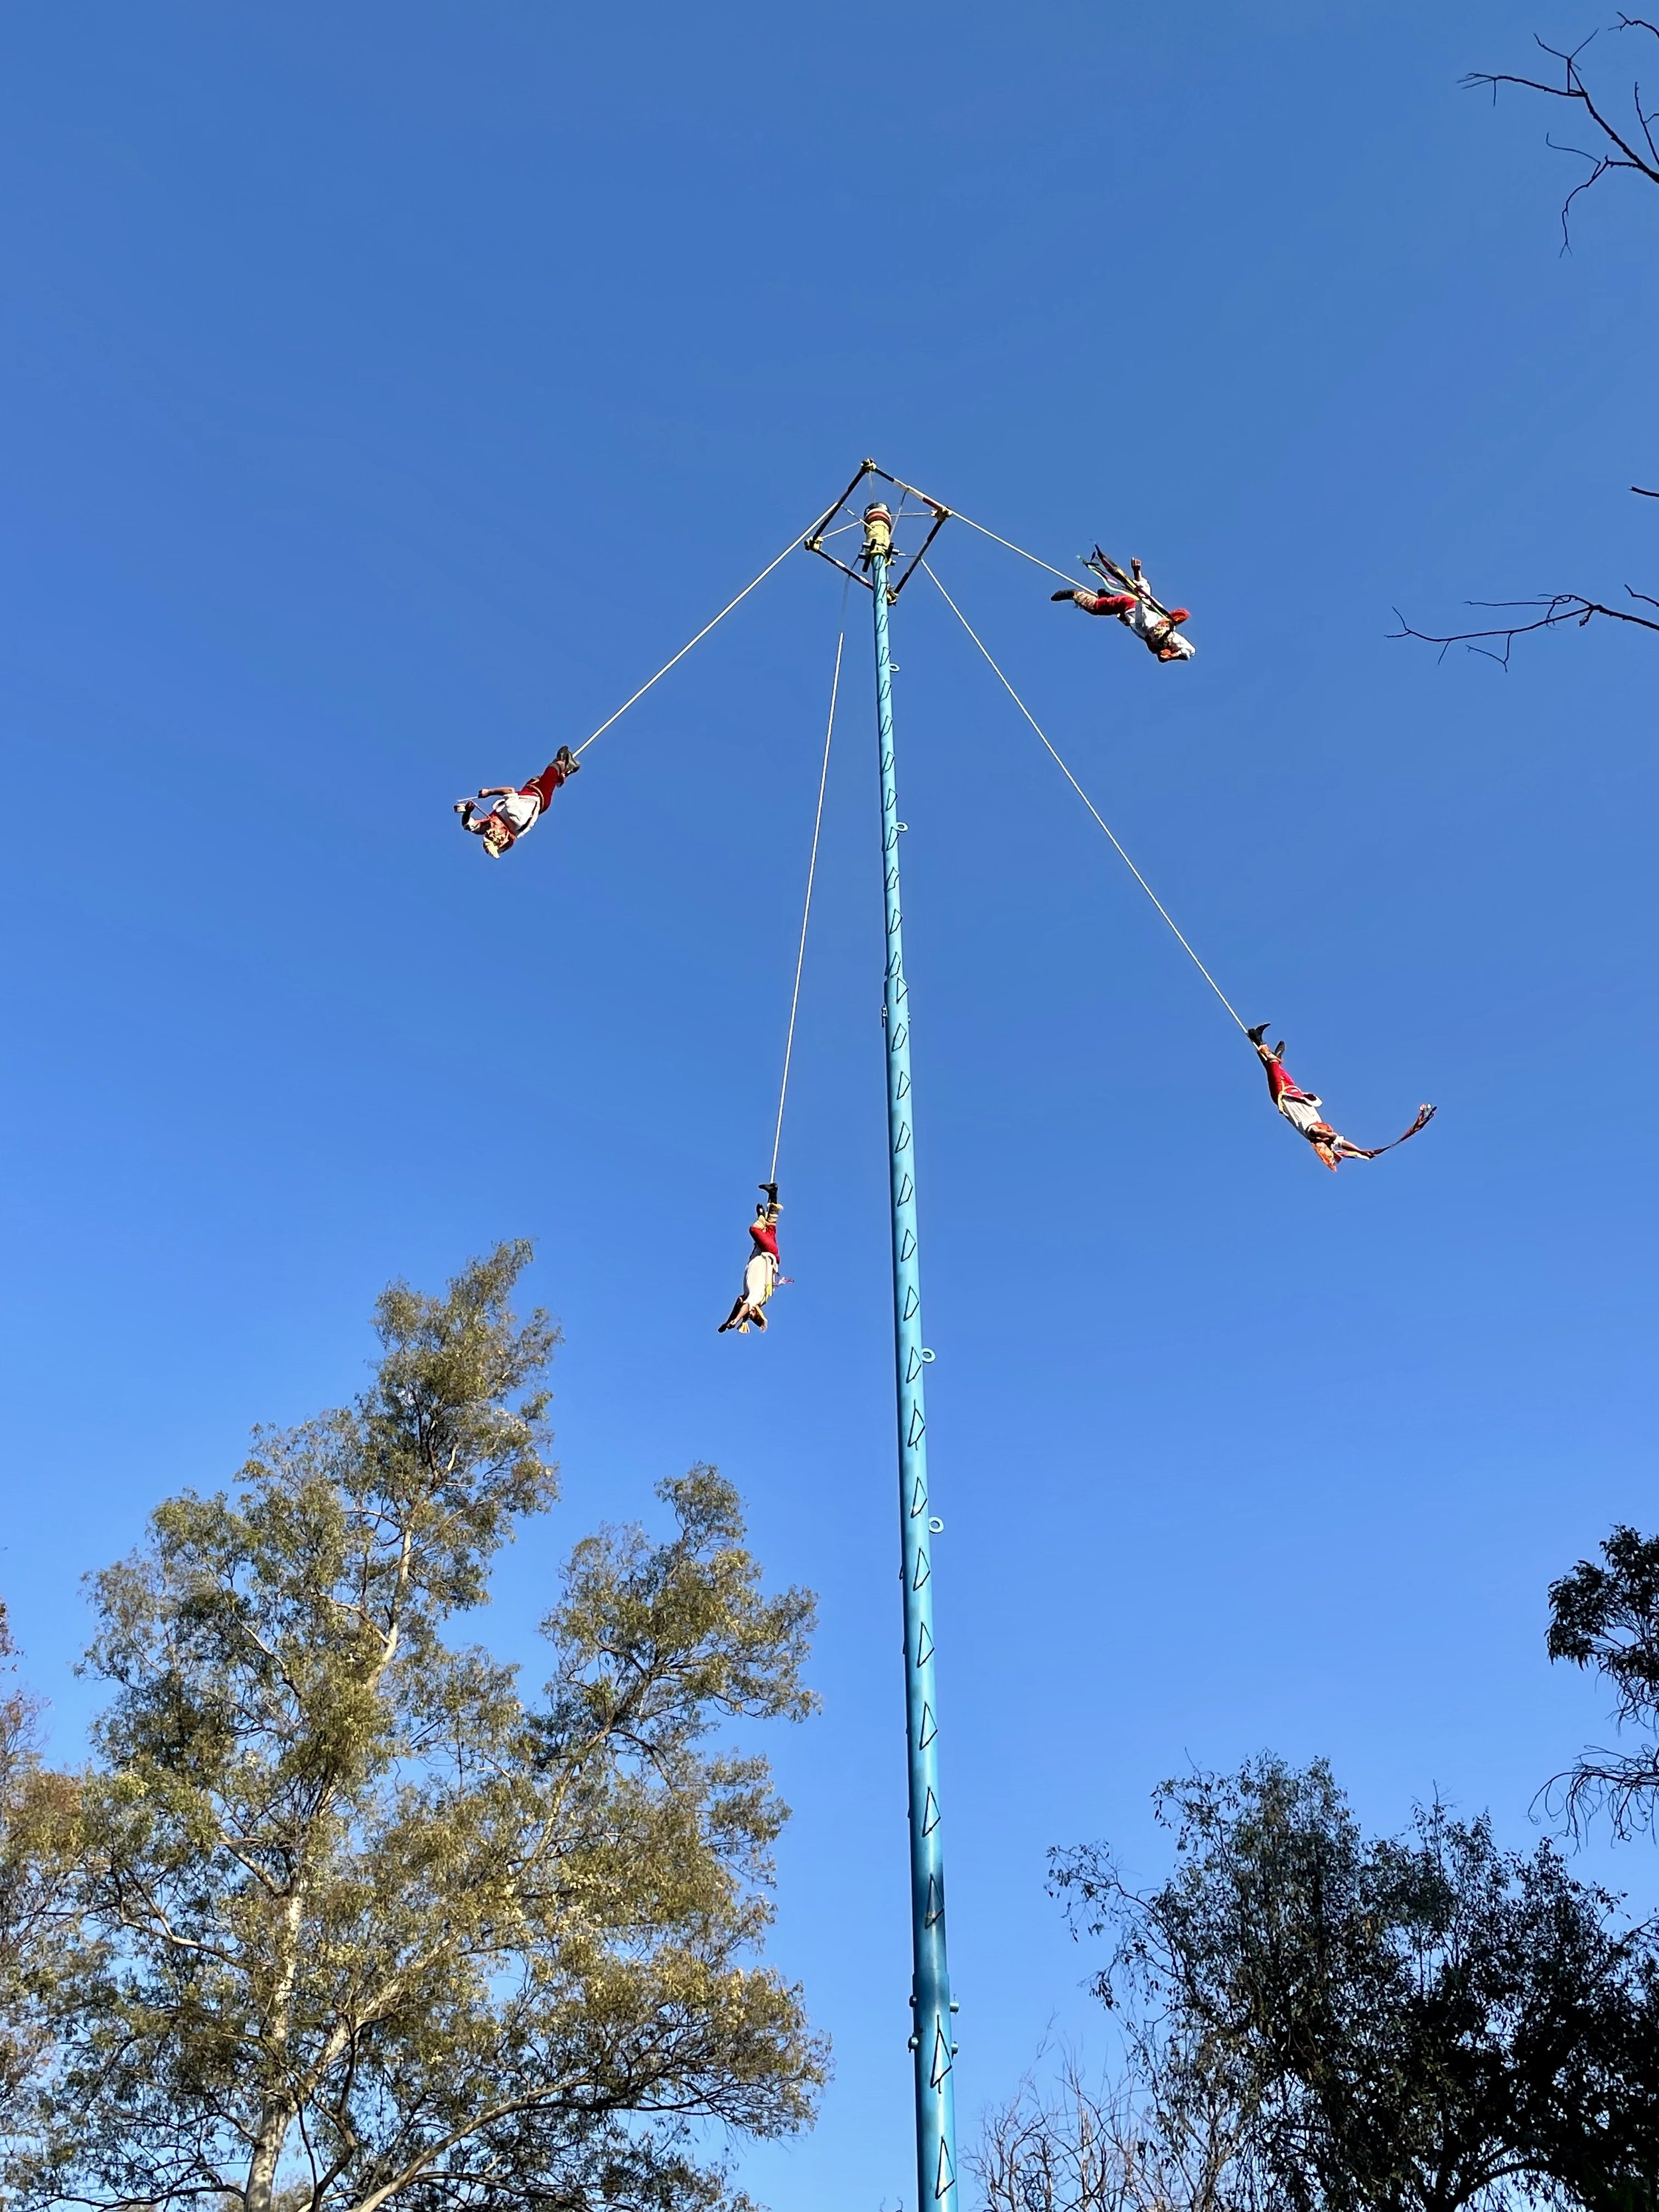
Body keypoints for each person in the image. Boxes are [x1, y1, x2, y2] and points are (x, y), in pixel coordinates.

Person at [1248, 1023, 1435, 1171]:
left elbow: (1326, 1135)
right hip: (1297, 1096)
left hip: (1283, 1096)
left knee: (1272, 1064)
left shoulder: (1312, 1133)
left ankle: (1269, 1049)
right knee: (1275, 1067)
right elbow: (1342, 1142)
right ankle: (1257, 1038)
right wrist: (1361, 1151)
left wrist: (1331, 1137)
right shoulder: (1326, 1138)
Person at [1052, 552, 1195, 662]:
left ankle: (1107, 598)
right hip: (1127, 605)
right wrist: (1137, 572)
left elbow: (1189, 651)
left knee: (1124, 619)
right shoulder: (1148, 623)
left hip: (1129, 612)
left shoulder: (1167, 634)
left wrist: (1171, 656)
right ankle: (1074, 594)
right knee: (1096, 608)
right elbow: (1143, 597)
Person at [454, 746, 580, 857]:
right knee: (554, 768)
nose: (489, 831)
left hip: (528, 793)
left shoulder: (492, 826)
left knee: (538, 778)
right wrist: (489, 792)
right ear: (502, 834)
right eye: (493, 835)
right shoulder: (513, 816)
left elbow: (468, 825)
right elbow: (509, 791)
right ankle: (564, 764)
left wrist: (467, 812)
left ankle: (564, 773)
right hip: (539, 797)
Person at [719, 1184, 784, 1335]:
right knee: (755, 1229)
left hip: (764, 1251)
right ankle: (761, 1215)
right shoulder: (757, 1297)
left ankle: (773, 1193)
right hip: (769, 1252)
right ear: (756, 1311)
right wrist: (736, 1321)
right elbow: (746, 1307)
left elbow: (739, 1304)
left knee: (771, 1226)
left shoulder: (748, 1295)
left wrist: (729, 1321)